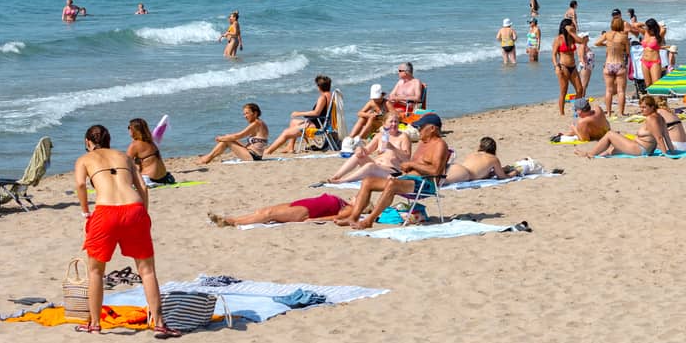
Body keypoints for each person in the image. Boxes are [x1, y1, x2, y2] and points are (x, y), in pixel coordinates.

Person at [73, 124, 170, 335]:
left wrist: (85, 212)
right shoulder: (124, 156)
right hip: (134, 209)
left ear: (87, 142)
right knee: (147, 270)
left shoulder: (84, 159)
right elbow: (142, 187)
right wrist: (143, 213)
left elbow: (81, 185)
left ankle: (95, 324)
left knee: (96, 271)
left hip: (105, 212)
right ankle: (160, 323)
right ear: (108, 140)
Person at [339, 114, 451, 229]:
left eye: (421, 127)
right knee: (368, 181)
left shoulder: (440, 145)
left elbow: (435, 171)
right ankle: (353, 217)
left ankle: (369, 220)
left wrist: (411, 164)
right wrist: (405, 169)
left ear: (432, 129)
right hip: (408, 180)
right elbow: (416, 164)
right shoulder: (423, 143)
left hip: (425, 184)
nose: (418, 130)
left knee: (392, 184)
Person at [577, 95, 686, 157]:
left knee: (610, 134)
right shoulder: (659, 117)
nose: (641, 110)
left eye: (644, 108)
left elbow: (659, 138)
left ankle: (590, 154)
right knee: (613, 148)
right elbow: (666, 136)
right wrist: (672, 152)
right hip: (643, 148)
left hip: (640, 149)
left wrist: (666, 154)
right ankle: (601, 155)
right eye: (641, 107)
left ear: (652, 107)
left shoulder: (651, 119)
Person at [262, 75, 334, 155]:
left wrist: (298, 113)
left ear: (319, 86)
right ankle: (290, 147)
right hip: (324, 122)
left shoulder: (323, 97)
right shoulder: (331, 95)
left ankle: (268, 151)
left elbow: (316, 113)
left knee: (286, 133)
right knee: (293, 122)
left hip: (318, 126)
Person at [327, 116, 412, 183]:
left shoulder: (403, 137)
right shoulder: (380, 135)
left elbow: (407, 158)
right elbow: (367, 151)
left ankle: (343, 181)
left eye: (396, 122)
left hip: (392, 171)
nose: (394, 124)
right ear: (384, 124)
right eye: (391, 121)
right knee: (357, 156)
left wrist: (392, 148)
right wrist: (360, 148)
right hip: (377, 166)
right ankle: (336, 176)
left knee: (370, 166)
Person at [209, 193, 350, 227]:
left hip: (308, 211)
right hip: (303, 203)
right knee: (264, 210)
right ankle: (234, 220)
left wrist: (314, 220)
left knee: (269, 214)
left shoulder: (351, 209)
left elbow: (336, 218)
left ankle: (232, 222)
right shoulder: (345, 201)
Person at [197, 103, 270, 163]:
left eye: (247, 113)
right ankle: (208, 156)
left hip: (253, 156)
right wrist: (226, 137)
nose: (245, 116)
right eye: (244, 114)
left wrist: (221, 138)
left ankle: (207, 158)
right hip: (252, 154)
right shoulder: (260, 123)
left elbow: (239, 135)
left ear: (255, 113)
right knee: (228, 137)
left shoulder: (256, 124)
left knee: (227, 140)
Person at [593, 15, 631, 116]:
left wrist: (606, 44)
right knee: (621, 90)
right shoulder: (624, 37)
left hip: (608, 64)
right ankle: (621, 113)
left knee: (608, 90)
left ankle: (609, 112)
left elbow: (596, 43)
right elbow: (628, 52)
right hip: (619, 64)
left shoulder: (607, 35)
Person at [445, 136, 519, 184]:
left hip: (456, 166)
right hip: (464, 174)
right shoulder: (493, 158)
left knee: (437, 179)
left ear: (481, 146)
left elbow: (479, 171)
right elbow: (502, 177)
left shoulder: (473, 154)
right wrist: (515, 173)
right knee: (439, 183)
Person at [126, 117, 174, 185]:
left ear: (133, 130)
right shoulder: (151, 141)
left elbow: (125, 163)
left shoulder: (135, 145)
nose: (128, 130)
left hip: (150, 179)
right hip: (165, 178)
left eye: (129, 127)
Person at [552, 19, 583, 114]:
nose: (573, 26)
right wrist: (556, 66)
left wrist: (572, 32)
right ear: (566, 26)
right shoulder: (559, 39)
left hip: (573, 67)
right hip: (563, 67)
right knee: (564, 91)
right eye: (571, 25)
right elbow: (554, 54)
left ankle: (576, 110)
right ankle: (562, 113)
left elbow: (581, 41)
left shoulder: (572, 38)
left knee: (580, 89)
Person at [638, 18, 666, 87]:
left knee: (655, 85)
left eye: (648, 27)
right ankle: (651, 98)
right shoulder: (645, 33)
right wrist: (645, 24)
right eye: (646, 27)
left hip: (655, 62)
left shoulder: (659, 35)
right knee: (648, 85)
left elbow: (664, 29)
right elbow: (635, 25)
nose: (646, 28)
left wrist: (656, 25)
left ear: (652, 28)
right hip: (644, 61)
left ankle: (658, 98)